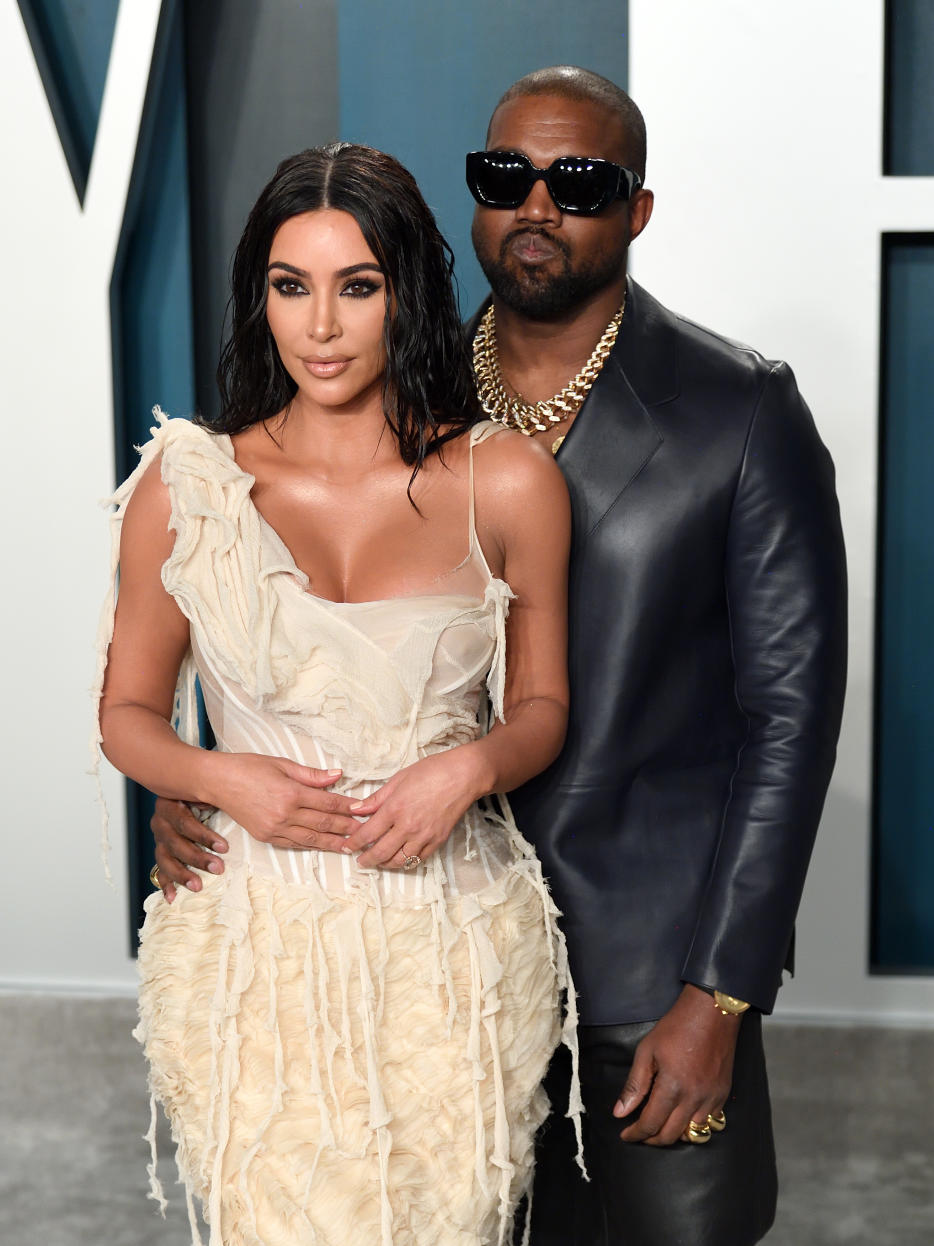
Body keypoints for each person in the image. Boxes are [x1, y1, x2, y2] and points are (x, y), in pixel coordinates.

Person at [151, 67, 848, 1246]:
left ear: (636, 209)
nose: (537, 205)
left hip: (646, 961)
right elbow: (327, 635)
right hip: (428, 954)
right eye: (503, 176)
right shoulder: (393, 385)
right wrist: (205, 780)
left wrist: (722, 992)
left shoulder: (740, 413)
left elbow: (791, 719)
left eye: (579, 182)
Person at [94, 142, 578, 1246]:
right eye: (290, 285)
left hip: (452, 938)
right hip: (250, 940)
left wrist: (469, 765)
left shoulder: (506, 479)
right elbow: (125, 714)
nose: (320, 325)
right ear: (257, 297)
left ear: (405, 292)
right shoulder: (188, 487)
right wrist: (221, 778)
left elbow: (544, 708)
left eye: (357, 286)